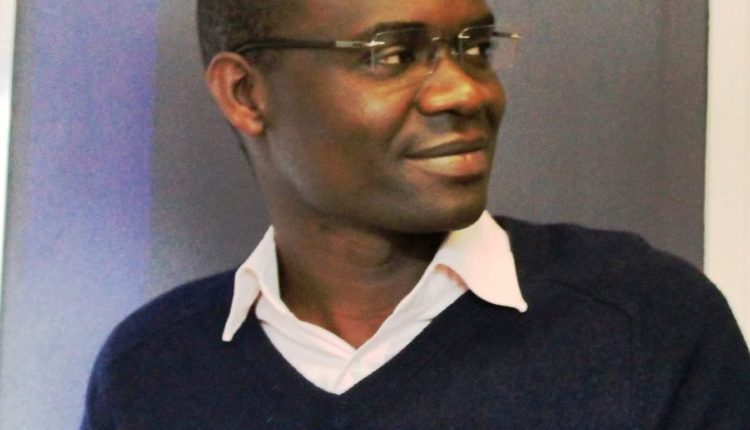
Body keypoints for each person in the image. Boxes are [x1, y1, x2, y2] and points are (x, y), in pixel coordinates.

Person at [81, 0, 750, 428]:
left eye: (475, 47)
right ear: (246, 93)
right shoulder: (151, 374)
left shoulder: (646, 327)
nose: (465, 91)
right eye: (392, 55)